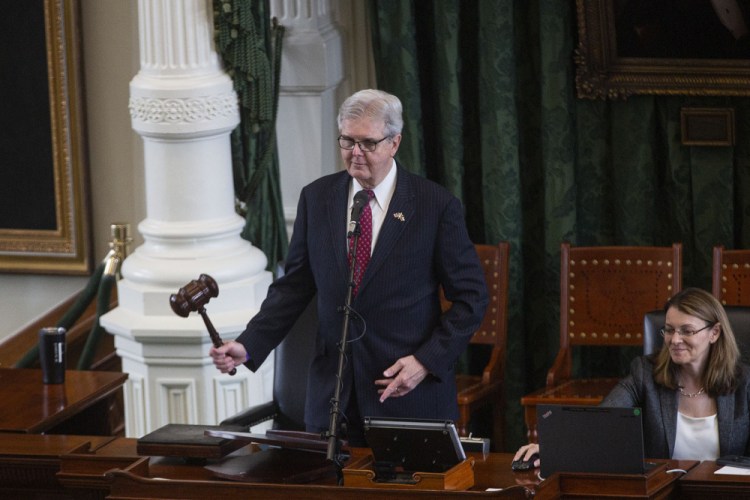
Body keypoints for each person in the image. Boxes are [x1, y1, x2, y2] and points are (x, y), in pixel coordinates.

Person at [210, 89, 489, 445]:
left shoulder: (434, 206)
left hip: (405, 397)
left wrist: (425, 362)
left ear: (395, 142)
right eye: (347, 141)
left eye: (368, 143)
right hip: (332, 399)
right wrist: (248, 345)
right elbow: (294, 286)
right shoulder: (317, 198)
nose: (355, 153)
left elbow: (471, 298)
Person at [514, 287, 750, 469]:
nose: (674, 340)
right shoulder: (644, 373)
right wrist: (555, 449)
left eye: (686, 331)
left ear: (714, 333)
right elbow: (602, 421)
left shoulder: (745, 382)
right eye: (669, 329)